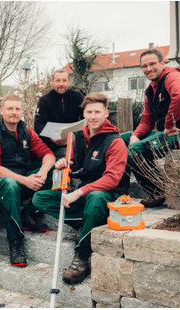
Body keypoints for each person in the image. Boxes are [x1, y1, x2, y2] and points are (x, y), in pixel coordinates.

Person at [32, 93, 128, 284]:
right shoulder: (77, 137)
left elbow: (112, 179)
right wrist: (65, 163)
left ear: (106, 113)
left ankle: (81, 256)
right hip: (86, 195)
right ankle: (87, 226)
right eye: (89, 112)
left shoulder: (115, 142)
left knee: (95, 197)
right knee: (39, 199)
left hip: (109, 199)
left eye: (97, 112)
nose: (93, 116)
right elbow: (76, 165)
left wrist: (79, 191)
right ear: (84, 113)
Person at [121, 48, 180, 207]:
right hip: (165, 133)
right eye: (144, 66)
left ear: (162, 63)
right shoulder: (150, 90)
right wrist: (134, 136)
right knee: (119, 141)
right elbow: (146, 120)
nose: (148, 68)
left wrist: (169, 125)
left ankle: (156, 192)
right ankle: (121, 193)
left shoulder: (173, 77)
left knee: (134, 152)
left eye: (152, 64)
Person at [0, 94, 56, 267]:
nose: (14, 112)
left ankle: (29, 212)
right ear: (2, 110)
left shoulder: (26, 131)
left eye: (17, 109)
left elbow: (48, 154)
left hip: (21, 183)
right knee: (10, 183)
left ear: (21, 111)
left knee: (57, 170)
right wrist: (25, 180)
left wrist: (44, 172)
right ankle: (16, 243)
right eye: (9, 108)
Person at [34, 69, 84, 158]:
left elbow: (86, 118)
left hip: (74, 141)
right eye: (58, 80)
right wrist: (50, 138)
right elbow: (38, 125)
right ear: (52, 82)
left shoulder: (78, 97)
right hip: (51, 143)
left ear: (69, 82)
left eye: (64, 80)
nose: (61, 84)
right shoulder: (44, 100)